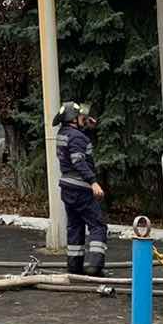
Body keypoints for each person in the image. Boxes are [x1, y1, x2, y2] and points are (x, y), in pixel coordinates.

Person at [55, 101, 107, 277]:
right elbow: (78, 160)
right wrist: (93, 182)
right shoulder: (77, 137)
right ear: (73, 118)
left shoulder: (63, 133)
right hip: (81, 189)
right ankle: (95, 266)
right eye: (80, 116)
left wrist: (87, 127)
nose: (83, 118)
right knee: (97, 225)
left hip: (67, 188)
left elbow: (74, 141)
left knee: (75, 226)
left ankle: (74, 266)